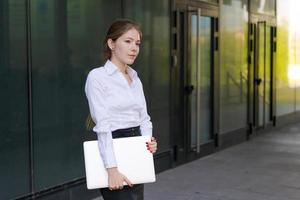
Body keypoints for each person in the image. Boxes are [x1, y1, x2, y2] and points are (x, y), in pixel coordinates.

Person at [84, 19, 157, 200]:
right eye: (128, 41)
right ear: (111, 44)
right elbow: (103, 126)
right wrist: (112, 169)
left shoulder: (135, 78)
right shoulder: (98, 77)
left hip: (136, 148)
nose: (134, 48)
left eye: (137, 43)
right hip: (113, 147)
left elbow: (144, 119)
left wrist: (148, 141)